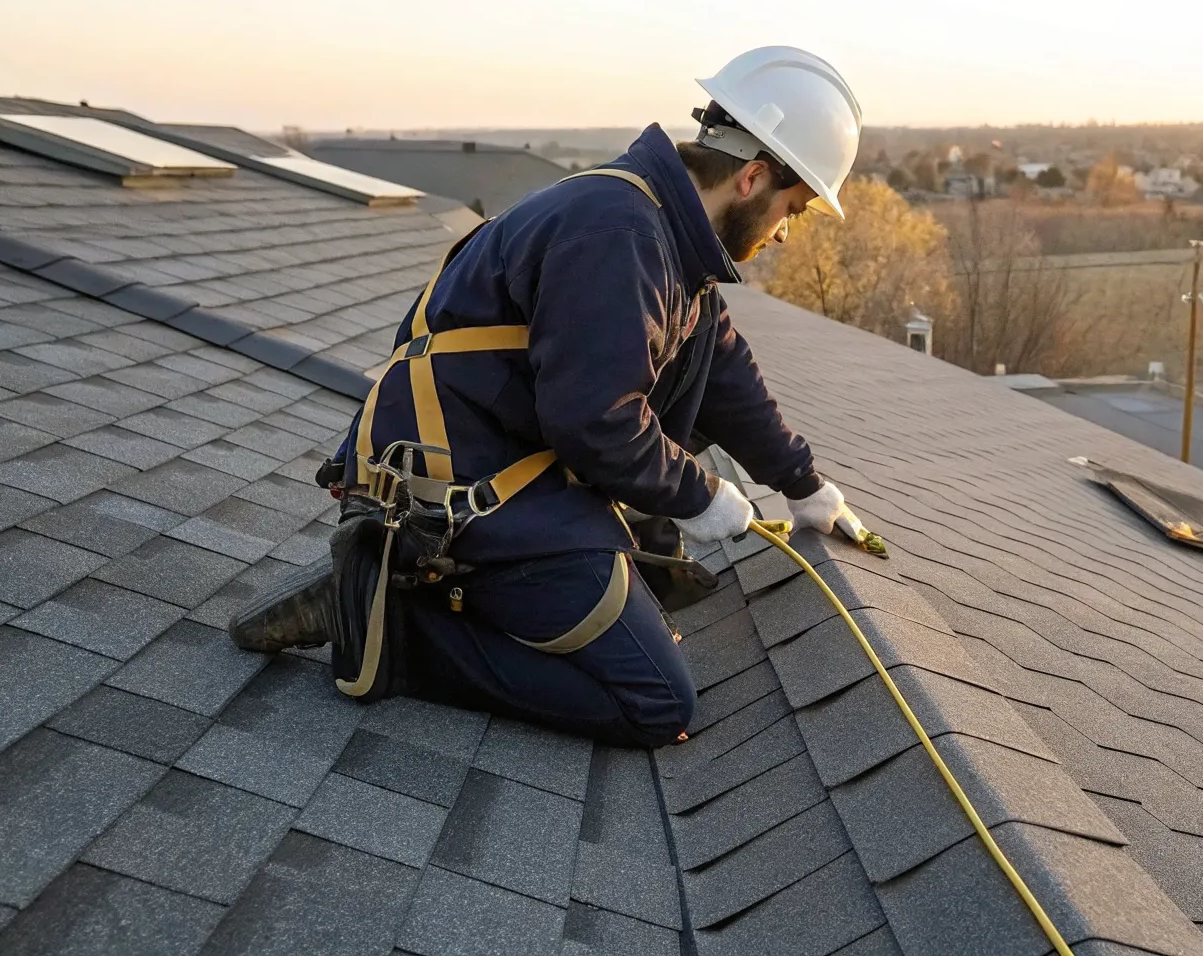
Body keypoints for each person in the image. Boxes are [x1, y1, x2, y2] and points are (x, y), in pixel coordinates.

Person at [231, 46, 866, 748]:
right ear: (752, 177)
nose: (784, 231)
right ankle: (396, 625)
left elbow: (719, 368)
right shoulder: (620, 234)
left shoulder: (660, 230)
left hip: (503, 460)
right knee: (656, 702)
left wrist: (804, 485)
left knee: (640, 622)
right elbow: (596, 425)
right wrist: (700, 495)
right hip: (461, 489)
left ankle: (424, 590)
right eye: (795, 210)